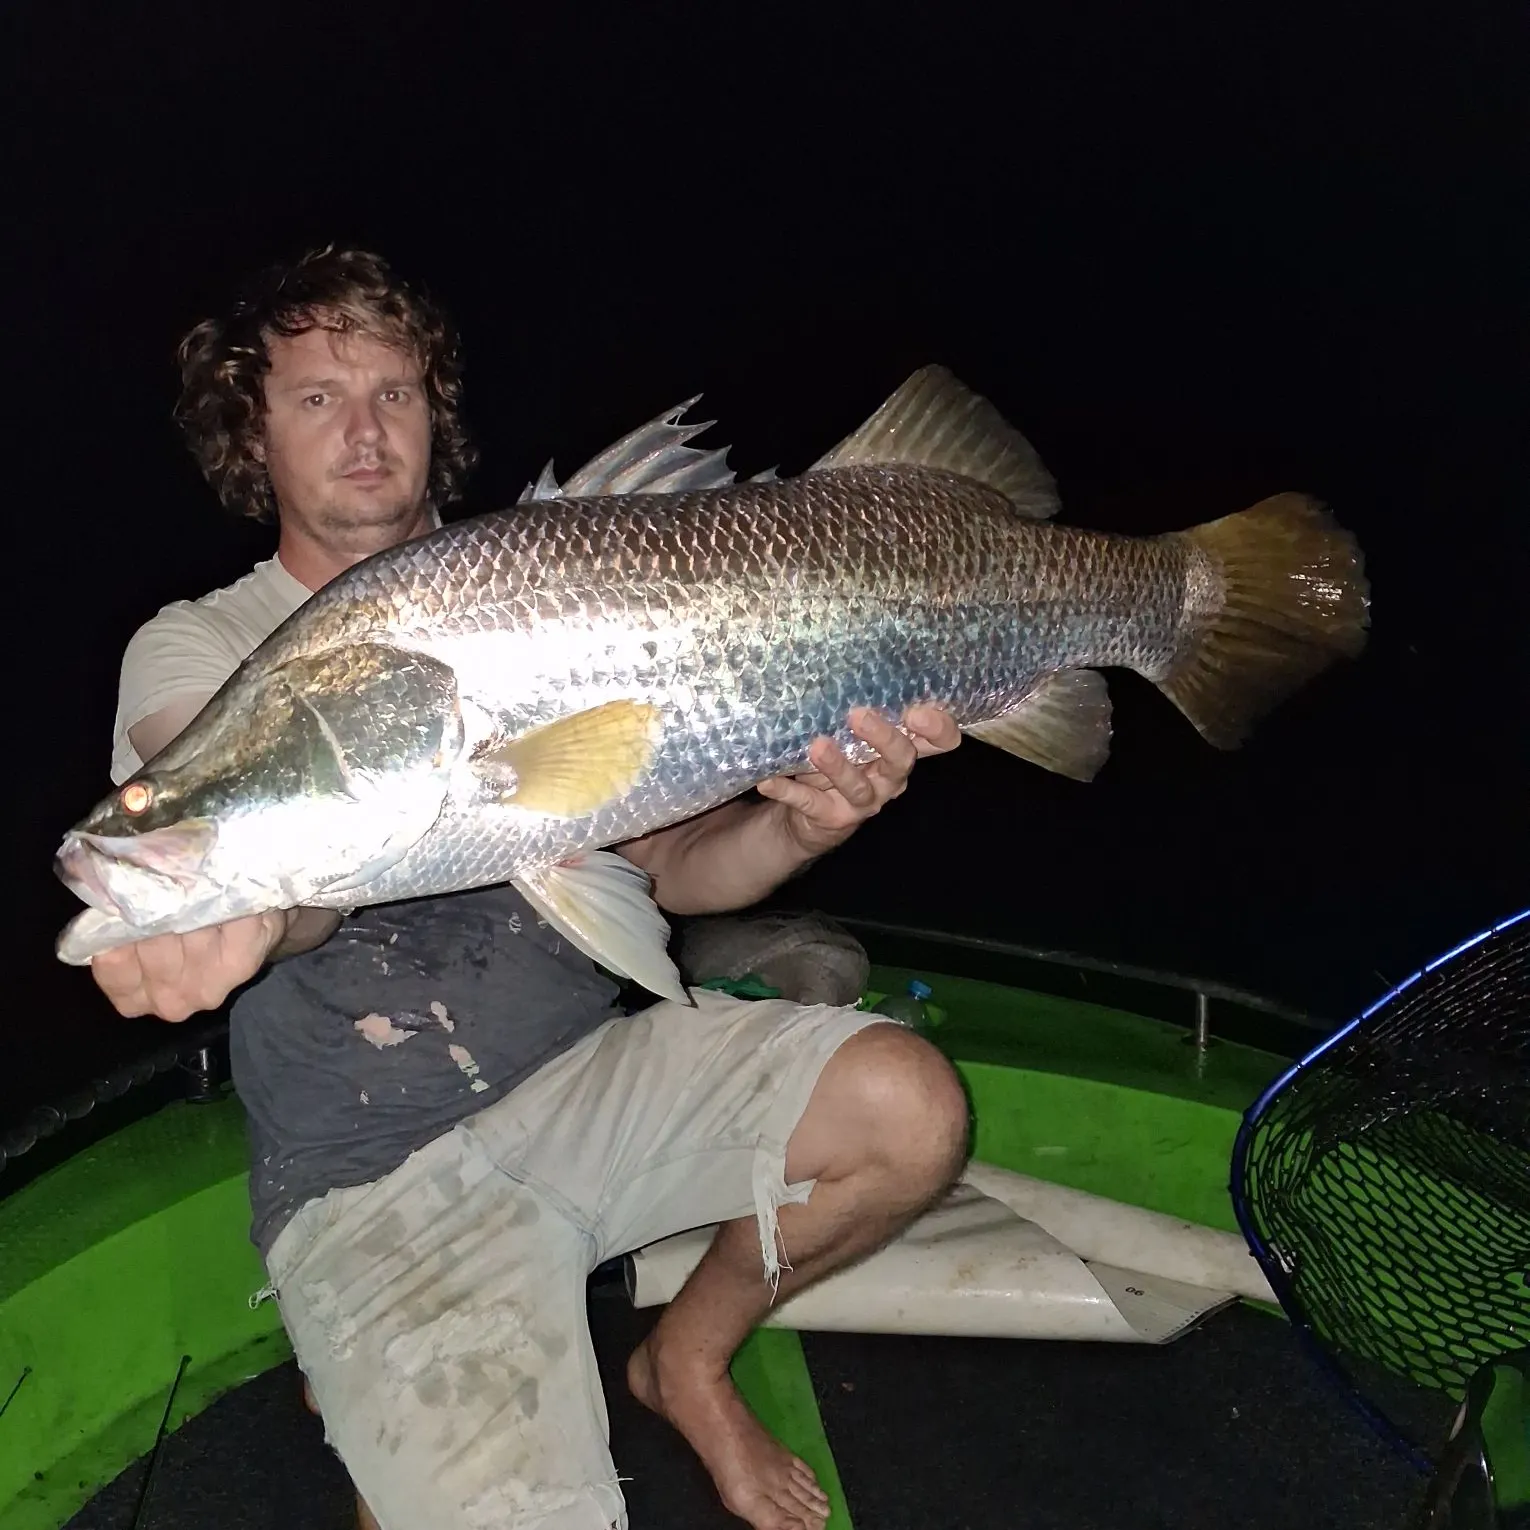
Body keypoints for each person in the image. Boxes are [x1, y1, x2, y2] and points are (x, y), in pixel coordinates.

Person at [87, 246, 970, 1530]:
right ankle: (390, 1395)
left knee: (910, 1110)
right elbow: (247, 815)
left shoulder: (548, 579)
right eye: (317, 397)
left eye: (394, 391)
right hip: (373, 1170)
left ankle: (684, 1360)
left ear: (435, 413)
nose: (365, 430)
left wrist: (804, 826)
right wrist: (261, 912)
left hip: (589, 1093)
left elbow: (670, 869)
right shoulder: (205, 645)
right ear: (252, 432)